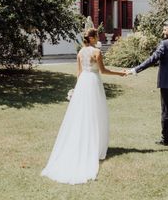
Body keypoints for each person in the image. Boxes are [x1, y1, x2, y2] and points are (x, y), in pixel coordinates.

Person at [41, 28, 126, 184]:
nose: (98, 38)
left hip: (83, 83)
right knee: (96, 113)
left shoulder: (80, 53)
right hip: (93, 82)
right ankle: (95, 146)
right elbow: (103, 71)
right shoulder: (97, 52)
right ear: (93, 38)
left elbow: (79, 73)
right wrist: (120, 73)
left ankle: (88, 143)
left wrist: (76, 89)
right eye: (97, 36)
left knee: (82, 114)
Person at [127, 20, 168, 154]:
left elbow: (152, 60)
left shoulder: (164, 44)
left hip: (167, 85)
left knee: (166, 113)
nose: (163, 32)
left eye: (165, 30)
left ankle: (166, 139)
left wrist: (135, 70)